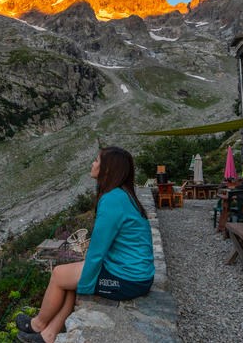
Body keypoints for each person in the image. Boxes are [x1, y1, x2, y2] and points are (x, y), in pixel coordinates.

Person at [15, 146, 155, 343]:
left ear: (107, 169)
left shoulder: (112, 199)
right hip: (132, 271)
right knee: (68, 279)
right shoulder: (122, 195)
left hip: (129, 278)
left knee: (58, 275)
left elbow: (97, 251)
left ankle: (37, 324)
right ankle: (48, 335)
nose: (93, 163)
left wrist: (86, 285)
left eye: (97, 160)